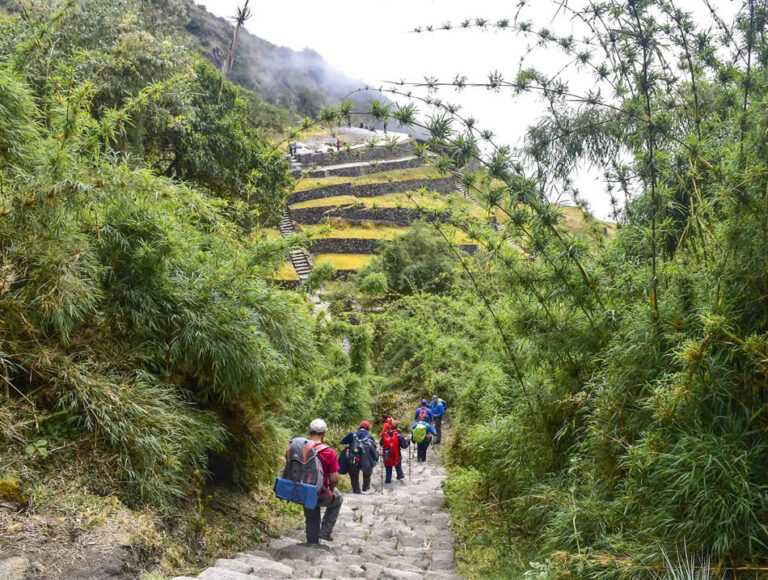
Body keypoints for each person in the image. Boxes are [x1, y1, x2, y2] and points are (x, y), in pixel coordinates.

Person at [304, 419, 342, 544]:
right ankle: (325, 531)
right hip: (320, 492)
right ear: (324, 433)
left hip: (302, 489)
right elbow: (334, 479)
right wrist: (330, 489)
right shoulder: (328, 452)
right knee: (338, 499)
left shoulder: (301, 447)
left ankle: (312, 542)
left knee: (311, 514)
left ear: (310, 431)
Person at [341, 421, 378, 494]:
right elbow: (374, 448)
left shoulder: (352, 435)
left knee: (354, 476)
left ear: (360, 426)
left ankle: (356, 492)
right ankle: (365, 488)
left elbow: (342, 441)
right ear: (368, 428)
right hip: (366, 460)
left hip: (353, 459)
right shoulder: (370, 437)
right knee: (367, 473)